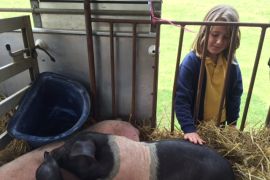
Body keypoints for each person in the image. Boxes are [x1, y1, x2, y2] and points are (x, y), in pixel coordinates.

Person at [175, 5, 243, 145]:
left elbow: (235, 96)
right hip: (195, 128)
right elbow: (182, 98)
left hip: (220, 128)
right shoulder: (191, 62)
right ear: (204, 32)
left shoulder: (232, 65)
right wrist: (189, 129)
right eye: (215, 34)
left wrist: (232, 123)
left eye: (226, 37)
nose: (219, 41)